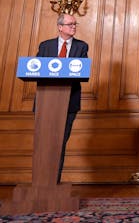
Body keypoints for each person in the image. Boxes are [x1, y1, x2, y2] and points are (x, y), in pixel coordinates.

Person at [35, 13, 89, 183]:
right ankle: (39, 183)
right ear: (60, 27)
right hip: (45, 102)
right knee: (43, 142)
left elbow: (83, 72)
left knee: (60, 142)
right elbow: (36, 69)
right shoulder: (45, 46)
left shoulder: (81, 47)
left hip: (68, 102)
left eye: (75, 24)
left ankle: (53, 183)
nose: (74, 26)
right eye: (70, 24)